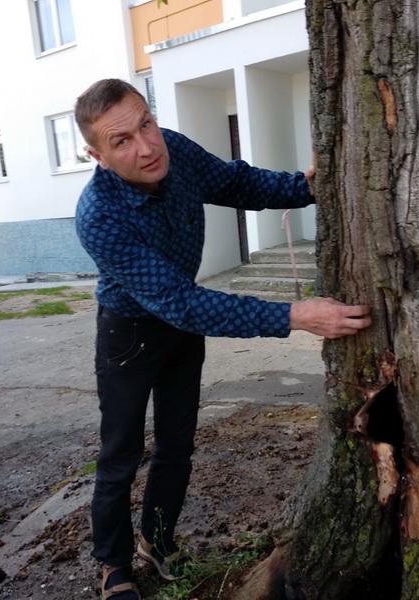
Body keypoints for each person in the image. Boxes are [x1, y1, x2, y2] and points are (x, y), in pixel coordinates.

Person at [74, 79, 372, 599]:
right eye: (121, 140)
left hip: (179, 323)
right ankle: (113, 565)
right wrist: (295, 315)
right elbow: (182, 304)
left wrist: (305, 186)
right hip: (129, 333)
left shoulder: (175, 150)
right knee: (120, 453)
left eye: (145, 123)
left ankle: (159, 543)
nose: (146, 146)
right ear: (97, 155)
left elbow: (237, 183)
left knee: (176, 446)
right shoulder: (99, 216)